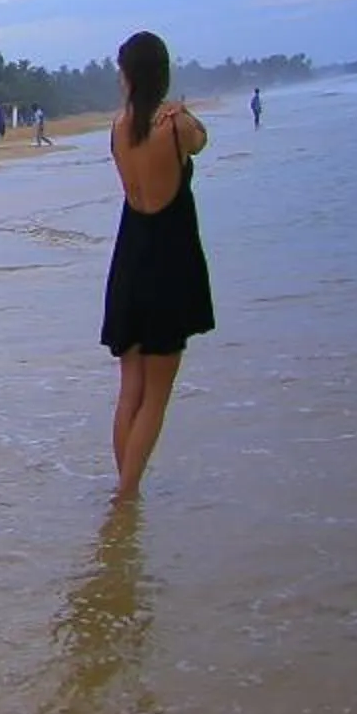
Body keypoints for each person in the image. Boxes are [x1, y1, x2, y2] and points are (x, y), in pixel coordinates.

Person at [103, 31, 214, 499]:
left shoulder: (117, 128)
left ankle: (125, 488)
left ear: (127, 76)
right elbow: (203, 141)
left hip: (130, 259)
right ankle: (126, 496)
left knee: (130, 388)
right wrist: (183, 109)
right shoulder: (175, 127)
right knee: (157, 394)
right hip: (170, 261)